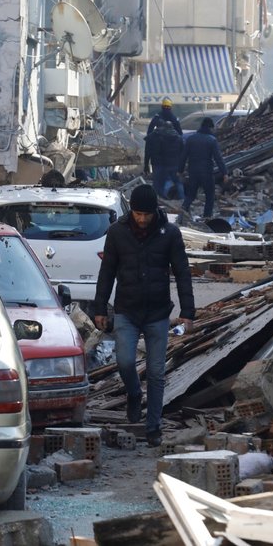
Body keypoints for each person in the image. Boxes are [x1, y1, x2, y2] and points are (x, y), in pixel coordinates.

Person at [91, 184, 194, 447]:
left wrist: (187, 312)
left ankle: (153, 428)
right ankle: (135, 394)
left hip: (158, 313)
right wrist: (100, 308)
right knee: (125, 362)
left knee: (157, 372)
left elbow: (182, 272)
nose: (143, 219)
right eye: (138, 213)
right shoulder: (117, 233)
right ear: (132, 211)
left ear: (154, 211)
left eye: (147, 214)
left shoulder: (169, 233)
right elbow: (107, 272)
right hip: (126, 310)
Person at [180, 117, 227, 218]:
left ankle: (183, 212)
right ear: (210, 127)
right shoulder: (212, 140)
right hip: (207, 172)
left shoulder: (191, 139)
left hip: (193, 172)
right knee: (209, 196)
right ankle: (207, 217)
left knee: (191, 194)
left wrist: (180, 170)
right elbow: (218, 158)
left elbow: (184, 155)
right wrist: (224, 173)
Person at [143, 122, 185, 201]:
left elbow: (148, 152)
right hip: (175, 164)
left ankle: (160, 200)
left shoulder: (155, 136)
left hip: (159, 164)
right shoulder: (178, 137)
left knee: (158, 183)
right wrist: (182, 165)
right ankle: (182, 200)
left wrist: (146, 165)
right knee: (178, 182)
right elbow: (183, 152)